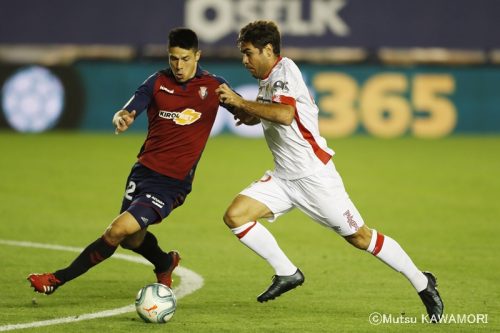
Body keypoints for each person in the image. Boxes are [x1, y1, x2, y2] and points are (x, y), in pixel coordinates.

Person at [216, 20, 444, 322]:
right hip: (284, 177)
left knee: (360, 238)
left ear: (268, 50)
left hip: (314, 178)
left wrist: (240, 101)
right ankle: (287, 272)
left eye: (248, 53)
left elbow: (285, 115)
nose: (244, 60)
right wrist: (251, 115)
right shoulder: (268, 77)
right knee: (236, 215)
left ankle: (422, 282)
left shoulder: (285, 71)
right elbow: (278, 113)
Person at [28, 28, 240, 295]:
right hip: (142, 173)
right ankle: (165, 262)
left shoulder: (214, 86)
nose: (178, 65)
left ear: (198, 55)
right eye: (173, 58)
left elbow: (247, 113)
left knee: (117, 230)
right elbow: (130, 107)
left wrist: (247, 108)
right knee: (132, 239)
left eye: (185, 58)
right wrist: (123, 117)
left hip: (171, 183)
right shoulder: (157, 82)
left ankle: (56, 279)